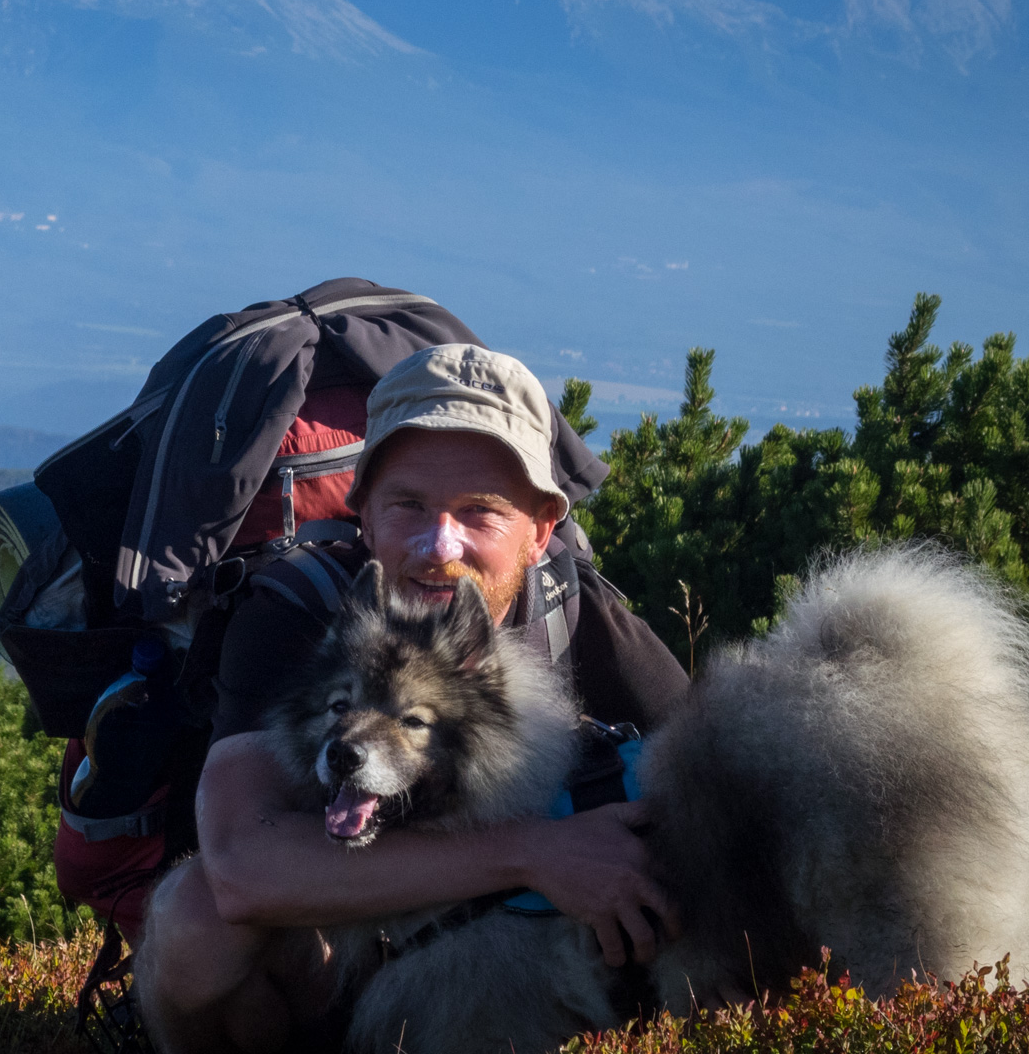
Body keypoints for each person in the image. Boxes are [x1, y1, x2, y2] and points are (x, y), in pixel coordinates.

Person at [136, 344, 691, 1053]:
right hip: (323, 980)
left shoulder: (573, 610)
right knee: (195, 923)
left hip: (504, 977)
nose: (439, 545)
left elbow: (714, 777)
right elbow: (242, 868)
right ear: (362, 511)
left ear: (540, 529)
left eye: (480, 512)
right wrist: (535, 854)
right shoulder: (299, 612)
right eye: (409, 505)